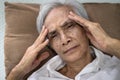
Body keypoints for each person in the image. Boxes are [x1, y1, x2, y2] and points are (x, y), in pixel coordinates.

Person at [7, 0, 120, 80]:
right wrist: (18, 71)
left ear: (86, 28)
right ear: (49, 45)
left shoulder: (116, 68)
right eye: (54, 35)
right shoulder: (39, 77)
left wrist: (110, 44)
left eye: (70, 26)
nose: (65, 40)